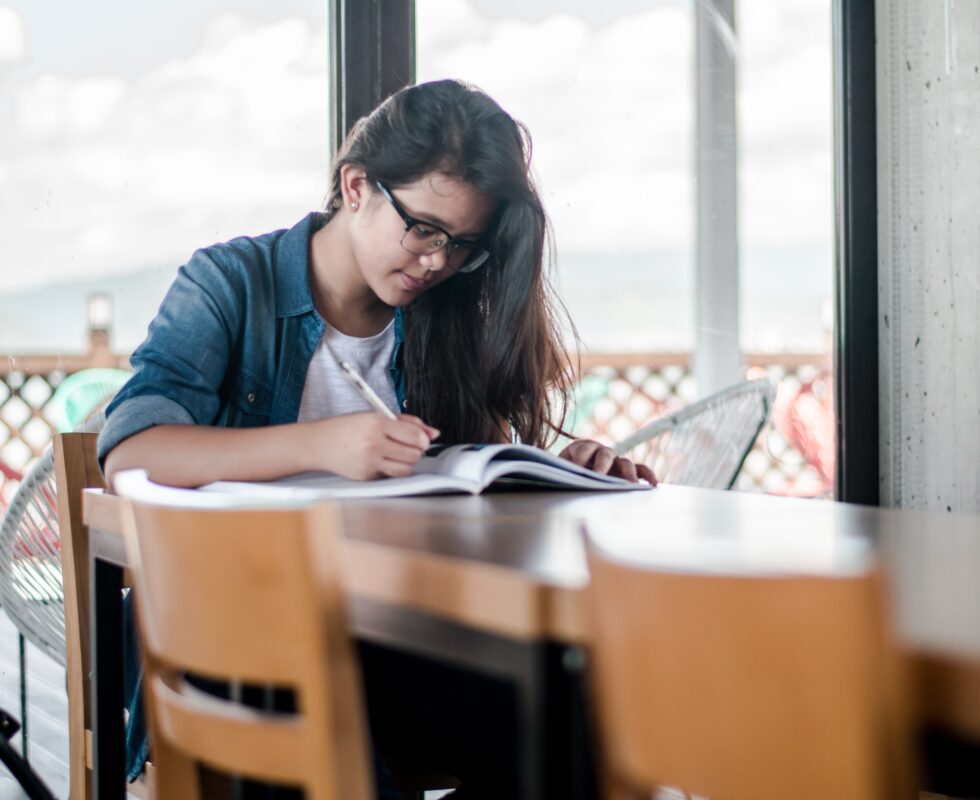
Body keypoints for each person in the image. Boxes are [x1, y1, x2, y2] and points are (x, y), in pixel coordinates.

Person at [99, 78, 655, 797]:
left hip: (395, 632)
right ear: (355, 184)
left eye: (462, 246)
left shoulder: (443, 317)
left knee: (580, 719)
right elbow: (131, 453)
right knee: (304, 711)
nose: (435, 262)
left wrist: (555, 472)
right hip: (236, 628)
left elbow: (460, 481)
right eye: (423, 228)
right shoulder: (231, 283)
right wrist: (322, 446)